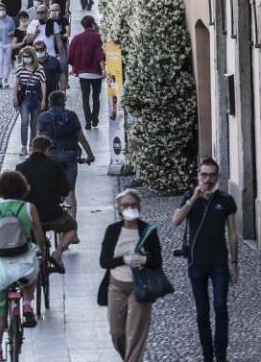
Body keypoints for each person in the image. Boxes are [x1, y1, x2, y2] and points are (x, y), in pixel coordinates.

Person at [171, 158, 240, 362]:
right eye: (204, 175)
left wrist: (234, 263)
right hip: (196, 263)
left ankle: (221, 356)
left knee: (220, 307)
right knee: (202, 311)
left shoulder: (226, 200)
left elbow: (233, 233)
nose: (207, 179)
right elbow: (175, 221)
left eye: (211, 175)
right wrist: (193, 198)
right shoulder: (189, 197)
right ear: (198, 176)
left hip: (219, 263)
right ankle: (207, 356)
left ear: (217, 177)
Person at [0, 171, 47, 361]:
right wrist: (41, 250)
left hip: (1, 265)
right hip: (24, 262)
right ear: (22, 188)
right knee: (32, 273)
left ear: (0, 190)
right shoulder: (29, 208)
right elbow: (39, 235)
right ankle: (26, 304)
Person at [98, 189, 162, 362]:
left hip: (140, 287)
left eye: (133, 205)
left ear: (139, 207)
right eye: (126, 205)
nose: (130, 208)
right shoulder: (112, 230)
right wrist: (124, 259)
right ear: (119, 209)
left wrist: (143, 260)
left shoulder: (148, 231)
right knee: (116, 333)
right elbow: (104, 262)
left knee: (135, 335)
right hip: (116, 286)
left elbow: (157, 262)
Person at [17, 136, 77, 271]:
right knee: (72, 226)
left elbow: (16, 192)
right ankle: (58, 253)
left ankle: (35, 251)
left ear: (33, 148)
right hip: (52, 215)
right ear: (47, 150)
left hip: (29, 215)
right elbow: (65, 190)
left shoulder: (20, 167)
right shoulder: (54, 166)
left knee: (29, 233)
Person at [37, 91, 95, 222]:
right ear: (63, 102)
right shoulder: (72, 116)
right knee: (70, 191)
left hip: (51, 156)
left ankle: (50, 219)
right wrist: (90, 155)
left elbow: (38, 140)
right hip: (70, 156)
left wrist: (36, 157)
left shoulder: (42, 117)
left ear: (49, 102)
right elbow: (81, 138)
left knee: (50, 189)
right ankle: (72, 226)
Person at [67, 15, 105, 130]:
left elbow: (71, 56)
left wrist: (73, 68)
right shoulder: (97, 36)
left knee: (85, 97)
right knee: (96, 97)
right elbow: (100, 54)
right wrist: (103, 69)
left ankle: (88, 122)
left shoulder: (77, 38)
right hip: (96, 72)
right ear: (93, 24)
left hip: (83, 73)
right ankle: (95, 118)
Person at [13, 46, 46, 156]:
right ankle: (23, 147)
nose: (26, 58)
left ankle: (32, 146)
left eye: (28, 56)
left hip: (36, 98)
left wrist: (43, 100)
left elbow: (43, 85)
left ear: (33, 56)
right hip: (24, 99)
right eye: (24, 56)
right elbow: (16, 83)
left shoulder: (39, 69)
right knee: (24, 122)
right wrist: (15, 97)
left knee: (34, 123)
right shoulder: (20, 68)